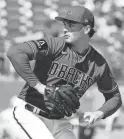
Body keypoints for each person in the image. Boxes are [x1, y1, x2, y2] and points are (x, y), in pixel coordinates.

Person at [7, 5, 122, 139]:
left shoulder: (98, 64)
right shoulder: (54, 44)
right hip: (31, 114)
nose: (65, 28)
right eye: (65, 24)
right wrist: (39, 86)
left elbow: (115, 97)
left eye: (71, 25)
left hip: (60, 122)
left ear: (87, 29)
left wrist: (98, 113)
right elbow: (15, 52)